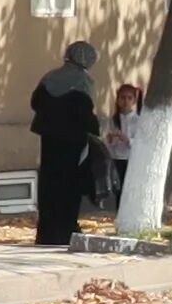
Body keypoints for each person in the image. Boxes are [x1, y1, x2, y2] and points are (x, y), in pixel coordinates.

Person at [29, 41, 101, 246]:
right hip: (73, 141)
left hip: (49, 139)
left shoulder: (50, 77)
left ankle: (47, 232)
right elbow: (85, 111)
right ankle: (66, 228)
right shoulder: (85, 81)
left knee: (49, 182)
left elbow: (35, 102)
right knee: (70, 184)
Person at [103, 83, 142, 207]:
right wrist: (111, 139)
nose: (126, 101)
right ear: (118, 100)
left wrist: (127, 140)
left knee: (129, 190)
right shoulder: (113, 120)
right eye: (123, 98)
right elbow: (108, 142)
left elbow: (140, 143)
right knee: (118, 189)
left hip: (130, 159)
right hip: (116, 159)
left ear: (134, 101)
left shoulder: (137, 120)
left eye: (129, 98)